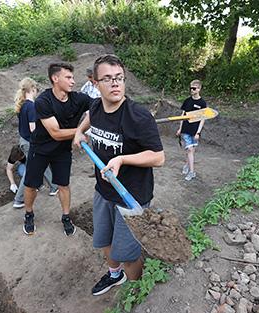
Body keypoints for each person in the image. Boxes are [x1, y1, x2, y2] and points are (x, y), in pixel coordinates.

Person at [74, 54, 165, 296]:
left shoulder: (139, 116)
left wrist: (122, 159)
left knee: (127, 255)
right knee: (103, 240)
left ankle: (134, 292)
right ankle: (115, 276)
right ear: (95, 84)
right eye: (107, 79)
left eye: (119, 78)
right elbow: (90, 118)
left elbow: (159, 157)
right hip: (103, 191)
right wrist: (79, 132)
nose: (115, 84)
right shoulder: (95, 106)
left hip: (131, 197)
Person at [22, 62, 93, 237]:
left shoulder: (78, 99)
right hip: (40, 149)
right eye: (68, 77)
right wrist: (81, 131)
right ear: (55, 79)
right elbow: (56, 133)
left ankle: (66, 217)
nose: (73, 81)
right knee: (31, 185)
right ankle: (29, 214)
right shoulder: (43, 101)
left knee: (64, 184)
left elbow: (100, 106)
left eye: (73, 77)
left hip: (62, 151)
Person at [13, 78, 58, 208]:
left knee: (42, 163)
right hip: (30, 142)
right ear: (33, 89)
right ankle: (19, 199)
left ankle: (54, 187)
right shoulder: (31, 106)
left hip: (25, 140)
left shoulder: (22, 105)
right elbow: (33, 129)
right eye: (36, 90)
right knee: (30, 170)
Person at [176, 79, 207, 181]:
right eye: (191, 88)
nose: (192, 90)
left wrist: (198, 132)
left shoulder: (202, 103)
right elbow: (182, 115)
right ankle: (192, 172)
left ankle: (186, 165)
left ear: (199, 89)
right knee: (189, 149)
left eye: (194, 88)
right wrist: (180, 128)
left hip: (195, 131)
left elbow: (203, 119)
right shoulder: (187, 101)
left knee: (192, 150)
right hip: (186, 129)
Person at [81, 65, 101, 178]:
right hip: (90, 120)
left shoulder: (102, 85)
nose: (89, 78)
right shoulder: (89, 84)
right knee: (94, 146)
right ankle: (98, 169)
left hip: (101, 120)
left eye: (90, 76)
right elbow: (81, 93)